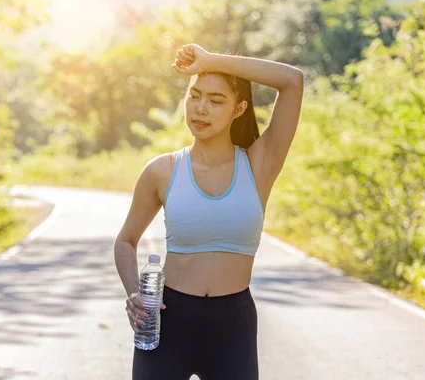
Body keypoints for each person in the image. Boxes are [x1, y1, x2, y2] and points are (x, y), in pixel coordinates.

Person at [113, 43, 304, 379]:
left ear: (239, 108)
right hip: (168, 321)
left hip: (233, 327)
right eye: (195, 95)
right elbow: (126, 241)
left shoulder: (259, 165)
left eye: (216, 101)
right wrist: (134, 294)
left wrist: (210, 60)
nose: (201, 109)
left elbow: (292, 80)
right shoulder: (162, 170)